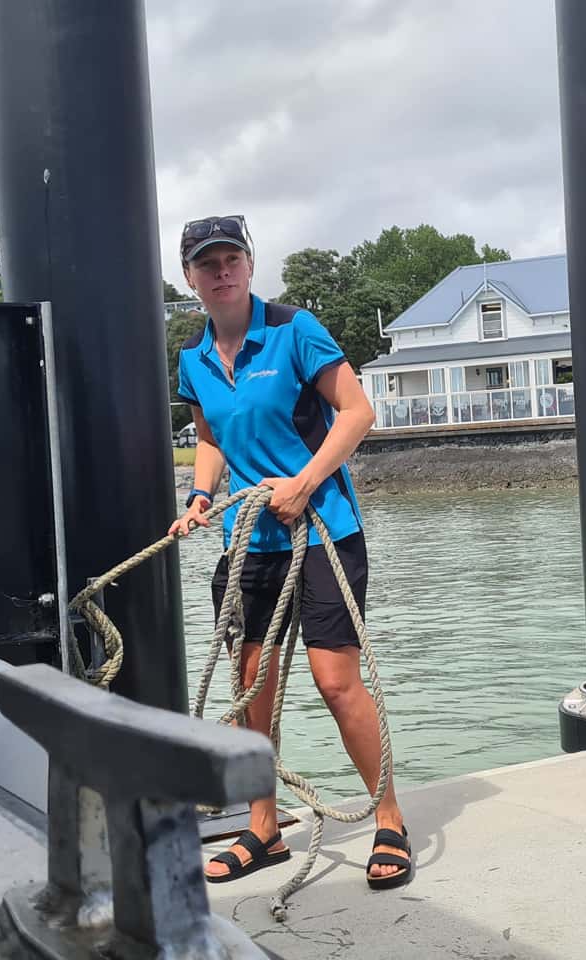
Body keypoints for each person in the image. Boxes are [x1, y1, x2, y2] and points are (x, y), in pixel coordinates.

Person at [168, 215, 411, 890]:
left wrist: (306, 483)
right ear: (190, 277)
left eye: (231, 259)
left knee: (336, 684)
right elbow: (212, 437)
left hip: (325, 531)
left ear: (248, 265)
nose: (221, 271)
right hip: (250, 544)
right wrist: (198, 494)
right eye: (206, 263)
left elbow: (357, 411)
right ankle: (265, 829)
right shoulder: (192, 357)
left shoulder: (294, 328)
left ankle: (388, 817)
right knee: (255, 693)